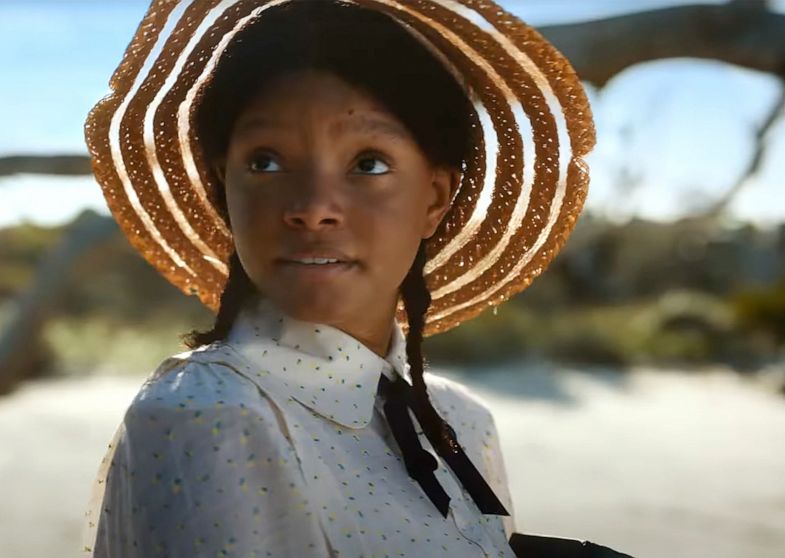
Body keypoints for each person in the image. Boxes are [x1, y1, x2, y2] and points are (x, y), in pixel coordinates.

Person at [82, 1, 595, 556]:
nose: (312, 208)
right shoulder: (209, 415)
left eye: (368, 163)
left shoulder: (461, 424)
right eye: (266, 162)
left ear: (436, 199)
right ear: (222, 187)